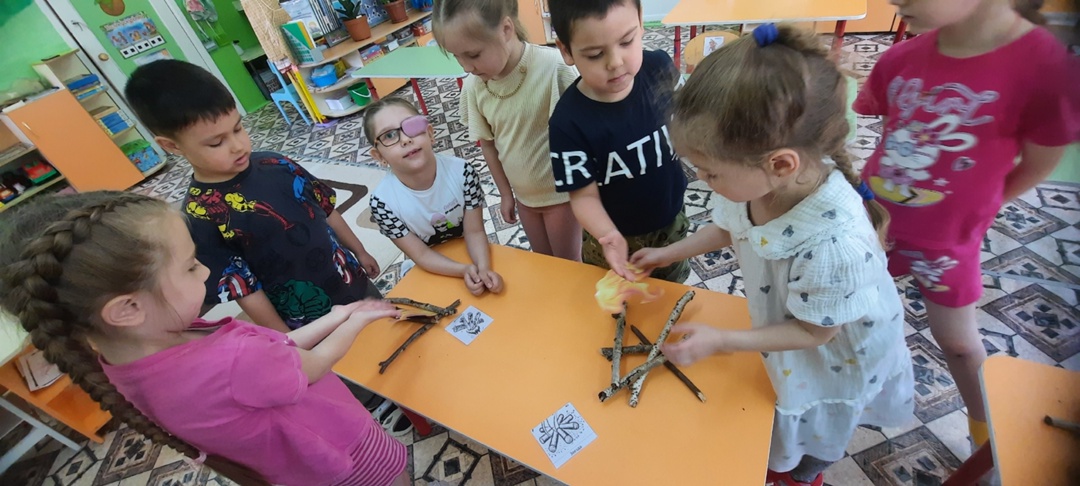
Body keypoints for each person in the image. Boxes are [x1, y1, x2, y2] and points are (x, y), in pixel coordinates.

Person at [632, 25, 915, 486]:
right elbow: (732, 227)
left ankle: (801, 476)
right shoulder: (760, 183)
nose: (702, 180)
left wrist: (721, 340)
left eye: (710, 171)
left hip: (832, 359)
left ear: (781, 164)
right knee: (775, 430)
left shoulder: (836, 244)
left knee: (805, 449)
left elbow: (813, 332)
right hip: (795, 329)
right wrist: (668, 252)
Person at [0, 192, 410, 486]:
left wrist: (335, 317)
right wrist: (356, 320)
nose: (207, 272)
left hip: (295, 470)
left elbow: (276, 352)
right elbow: (312, 367)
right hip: (344, 455)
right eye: (190, 266)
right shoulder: (231, 360)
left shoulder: (127, 359)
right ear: (127, 309)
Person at [855, 0, 1077, 447]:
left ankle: (984, 436)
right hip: (871, 222)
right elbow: (893, 136)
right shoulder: (900, 57)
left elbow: (1037, 163)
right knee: (843, 315)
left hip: (948, 244)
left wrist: (973, 212)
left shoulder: (1047, 67)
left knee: (958, 342)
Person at [124, 60, 382, 333]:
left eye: (238, 128)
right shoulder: (201, 215)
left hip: (354, 283)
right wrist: (287, 339)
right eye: (216, 142)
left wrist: (360, 251)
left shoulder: (278, 164)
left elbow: (326, 211)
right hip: (309, 323)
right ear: (172, 145)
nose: (238, 146)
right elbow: (244, 288)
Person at [547, 0, 690, 282]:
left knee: (673, 291)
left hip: (671, 221)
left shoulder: (660, 68)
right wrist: (607, 235)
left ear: (640, 21)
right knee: (616, 300)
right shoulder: (567, 123)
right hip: (612, 239)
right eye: (595, 54)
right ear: (566, 50)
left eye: (626, 42)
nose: (615, 62)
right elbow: (583, 196)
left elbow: (688, 117)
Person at [433, 0, 583, 261]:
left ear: (506, 29)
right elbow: (488, 144)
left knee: (568, 267)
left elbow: (586, 132)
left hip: (562, 197)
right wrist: (505, 193)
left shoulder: (555, 67)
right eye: (456, 56)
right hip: (524, 199)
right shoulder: (474, 86)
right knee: (542, 262)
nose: (466, 67)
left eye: (473, 55)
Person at [367, 97, 504, 296]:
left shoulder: (463, 172)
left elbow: (474, 232)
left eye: (412, 126)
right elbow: (421, 254)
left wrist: (483, 269)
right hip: (428, 266)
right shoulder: (382, 203)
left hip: (470, 251)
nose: (405, 139)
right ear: (379, 156)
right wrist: (464, 270)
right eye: (389, 135)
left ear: (430, 133)